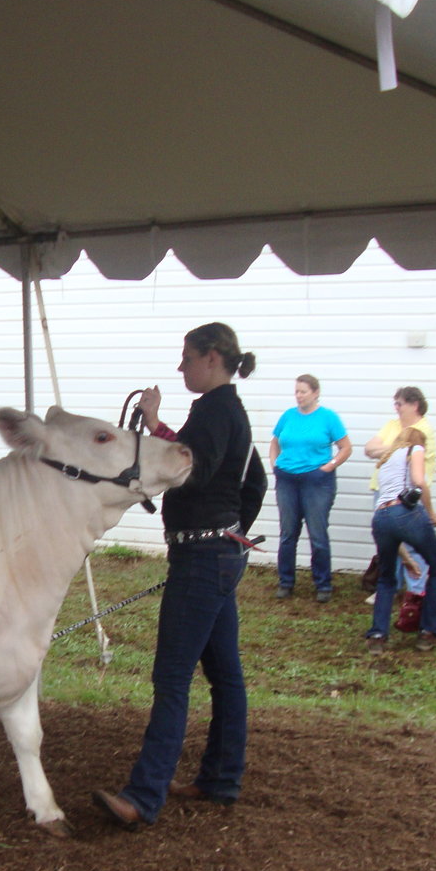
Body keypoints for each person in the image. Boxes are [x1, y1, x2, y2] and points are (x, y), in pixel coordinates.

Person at [91, 322, 267, 831]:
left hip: (203, 557)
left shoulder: (214, 410)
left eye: (186, 357)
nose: (181, 366)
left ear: (212, 358)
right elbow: (247, 479)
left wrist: (153, 423)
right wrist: (232, 531)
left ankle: (143, 796)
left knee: (172, 678)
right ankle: (220, 778)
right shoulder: (228, 411)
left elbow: (191, 468)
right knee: (224, 674)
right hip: (218, 554)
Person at [365, 427, 436, 654]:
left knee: (387, 578)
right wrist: (430, 513)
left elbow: (392, 522)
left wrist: (407, 559)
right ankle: (429, 632)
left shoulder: (388, 458)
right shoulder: (416, 447)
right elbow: (419, 482)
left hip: (381, 516)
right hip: (408, 514)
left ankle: (378, 635)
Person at [269, 374, 350, 602]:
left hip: (316, 481)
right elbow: (275, 442)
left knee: (317, 533)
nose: (299, 396)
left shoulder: (328, 418)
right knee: (288, 533)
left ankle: (323, 584)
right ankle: (286, 582)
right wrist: (275, 464)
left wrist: (328, 467)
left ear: (315, 393)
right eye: (296, 391)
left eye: (303, 391)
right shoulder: (288, 416)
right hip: (287, 479)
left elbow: (345, 447)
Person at [363, 386, 436, 602]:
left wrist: (387, 449)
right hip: (383, 491)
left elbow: (409, 460)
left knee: (413, 545)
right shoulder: (392, 425)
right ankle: (389, 586)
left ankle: (416, 591)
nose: (396, 408)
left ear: (414, 405)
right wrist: (395, 447)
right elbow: (369, 448)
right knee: (388, 543)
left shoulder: (423, 429)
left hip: (409, 496)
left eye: (400, 404)